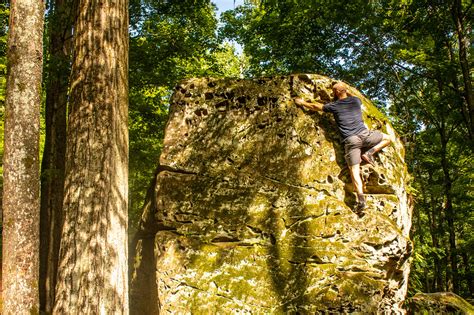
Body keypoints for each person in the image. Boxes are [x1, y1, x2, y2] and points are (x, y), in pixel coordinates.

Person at [294, 82, 391, 214]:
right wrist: (344, 89)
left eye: (333, 91)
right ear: (346, 90)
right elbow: (349, 95)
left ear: (336, 92)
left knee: (354, 171)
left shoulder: (334, 106)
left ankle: (361, 199)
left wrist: (302, 102)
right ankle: (369, 153)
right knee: (387, 138)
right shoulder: (356, 101)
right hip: (366, 135)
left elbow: (315, 106)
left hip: (351, 141)